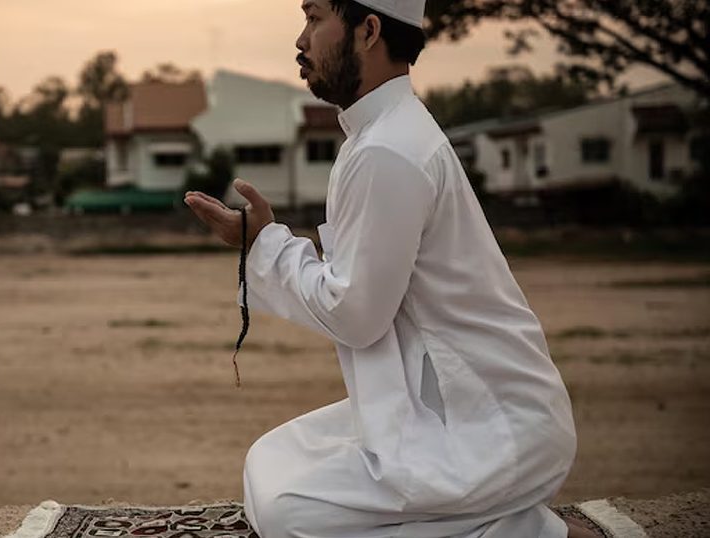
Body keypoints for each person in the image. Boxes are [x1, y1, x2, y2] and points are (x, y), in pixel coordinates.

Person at [183, 1, 592, 536]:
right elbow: (357, 292)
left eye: (314, 19)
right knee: (268, 462)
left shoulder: (389, 150)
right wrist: (264, 245)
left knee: (288, 512)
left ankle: (524, 530)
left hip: (490, 427)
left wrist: (264, 244)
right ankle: (489, 520)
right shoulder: (381, 137)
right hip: (438, 408)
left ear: (368, 30)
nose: (301, 41)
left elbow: (355, 314)